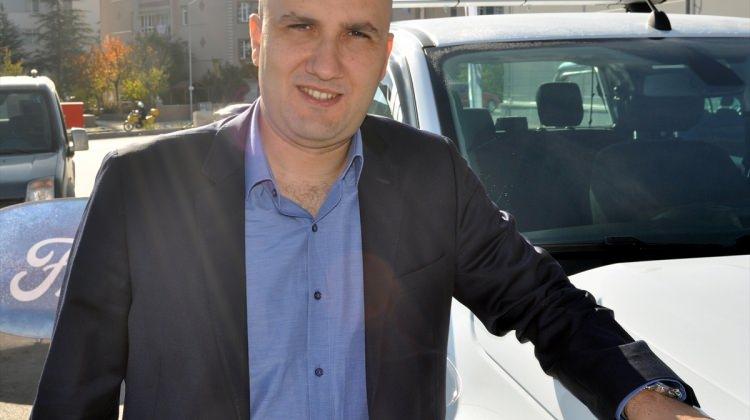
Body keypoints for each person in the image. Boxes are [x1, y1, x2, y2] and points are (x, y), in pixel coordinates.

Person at [33, 1, 708, 419]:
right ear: (258, 37)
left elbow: (545, 302)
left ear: (384, 53)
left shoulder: (431, 175)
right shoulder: (144, 188)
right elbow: (72, 397)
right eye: (301, 26)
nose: (327, 63)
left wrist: (648, 396)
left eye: (357, 33)